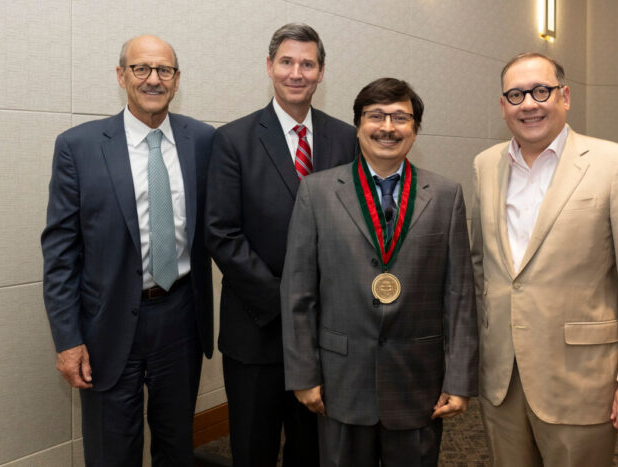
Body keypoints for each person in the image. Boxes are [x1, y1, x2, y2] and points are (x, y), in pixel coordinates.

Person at [470, 52, 618, 466]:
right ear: (503, 105)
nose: (529, 103)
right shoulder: (485, 166)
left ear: (566, 96)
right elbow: (479, 268)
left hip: (581, 378)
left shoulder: (617, 165)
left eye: (542, 91)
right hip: (502, 377)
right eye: (516, 94)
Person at [281, 77, 478, 466]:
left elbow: (459, 296)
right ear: (358, 126)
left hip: (418, 382)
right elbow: (298, 292)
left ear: (415, 129)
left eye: (400, 118)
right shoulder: (316, 192)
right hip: (340, 380)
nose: (387, 128)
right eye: (376, 116)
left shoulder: (445, 195)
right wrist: (304, 374)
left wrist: (459, 380)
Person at [41, 35, 214, 465]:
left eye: (164, 70)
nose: (153, 79)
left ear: (177, 80)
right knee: (112, 450)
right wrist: (67, 340)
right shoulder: (78, 147)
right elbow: (60, 252)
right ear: (121, 76)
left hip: (180, 318)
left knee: (177, 445)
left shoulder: (205, 141)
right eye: (141, 69)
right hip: (107, 325)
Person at [205, 23, 357, 466]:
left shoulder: (345, 139)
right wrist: (286, 303)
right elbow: (221, 232)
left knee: (314, 450)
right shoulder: (232, 139)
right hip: (256, 329)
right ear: (269, 67)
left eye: (307, 64)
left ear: (321, 72)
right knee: (253, 448)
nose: (297, 72)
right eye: (287, 62)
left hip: (326, 333)